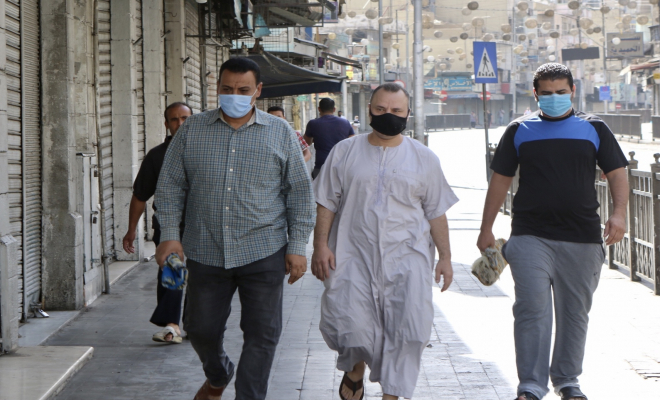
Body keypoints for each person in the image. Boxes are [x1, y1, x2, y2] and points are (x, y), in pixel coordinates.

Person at [154, 57, 316, 400]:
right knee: (199, 329)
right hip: (205, 249)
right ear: (217, 88)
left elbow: (300, 193)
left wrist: (297, 246)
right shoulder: (192, 130)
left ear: (258, 90)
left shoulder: (280, 133)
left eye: (243, 90)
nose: (235, 96)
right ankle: (218, 373)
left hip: (264, 249)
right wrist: (169, 235)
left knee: (263, 334)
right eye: (227, 89)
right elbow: (169, 186)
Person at [477, 63, 628, 400]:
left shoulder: (594, 128)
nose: (554, 97)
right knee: (531, 310)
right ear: (535, 94)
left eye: (561, 92)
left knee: (574, 314)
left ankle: (567, 380)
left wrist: (619, 215)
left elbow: (617, 172)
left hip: (583, 237)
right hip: (530, 235)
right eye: (546, 93)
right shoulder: (519, 130)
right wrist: (486, 228)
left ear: (573, 91)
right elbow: (500, 180)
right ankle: (530, 386)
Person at [312, 83, 458, 400]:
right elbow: (326, 202)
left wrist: (445, 257)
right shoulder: (345, 152)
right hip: (352, 254)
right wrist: (320, 246)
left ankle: (392, 393)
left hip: (408, 258)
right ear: (369, 110)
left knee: (409, 329)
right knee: (350, 326)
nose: (387, 115)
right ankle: (355, 368)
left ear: (407, 113)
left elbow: (436, 212)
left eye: (395, 110)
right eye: (380, 109)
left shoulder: (424, 158)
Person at [122, 101, 192, 344]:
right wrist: (131, 230)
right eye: (174, 119)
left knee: (203, 277)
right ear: (166, 124)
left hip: (203, 226)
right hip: (168, 225)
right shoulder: (157, 156)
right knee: (172, 270)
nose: (180, 123)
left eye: (185, 118)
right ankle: (172, 324)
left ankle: (194, 323)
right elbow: (140, 195)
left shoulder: (207, 152)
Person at [303, 98, 354, 179]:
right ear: (334, 109)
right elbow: (352, 142)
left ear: (319, 109)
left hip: (321, 166)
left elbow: (306, 143)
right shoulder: (345, 122)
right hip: (341, 166)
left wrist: (316, 139)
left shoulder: (313, 124)